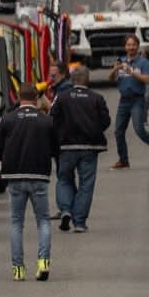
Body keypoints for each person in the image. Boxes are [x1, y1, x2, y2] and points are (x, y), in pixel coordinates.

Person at [0, 89, 57, 281]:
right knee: (43, 221)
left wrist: (6, 159)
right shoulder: (46, 120)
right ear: (36, 99)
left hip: (15, 176)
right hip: (39, 176)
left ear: (19, 98)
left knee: (16, 223)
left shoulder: (8, 119)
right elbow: (55, 147)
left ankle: (18, 269)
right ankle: (43, 262)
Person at [48, 64, 110, 232]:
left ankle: (66, 209)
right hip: (90, 146)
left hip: (66, 146)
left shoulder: (63, 97)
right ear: (87, 80)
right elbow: (106, 121)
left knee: (64, 180)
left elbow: (52, 119)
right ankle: (80, 222)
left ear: (72, 79)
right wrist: (94, 130)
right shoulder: (97, 98)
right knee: (86, 184)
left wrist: (59, 136)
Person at [109, 35, 149, 169]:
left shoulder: (143, 62)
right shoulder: (121, 60)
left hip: (137, 100)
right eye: (128, 45)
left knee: (139, 130)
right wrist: (115, 69)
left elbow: (147, 79)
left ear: (138, 46)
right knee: (118, 131)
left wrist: (131, 71)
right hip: (123, 101)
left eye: (133, 45)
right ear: (125, 47)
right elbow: (111, 78)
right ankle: (123, 160)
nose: (131, 47)